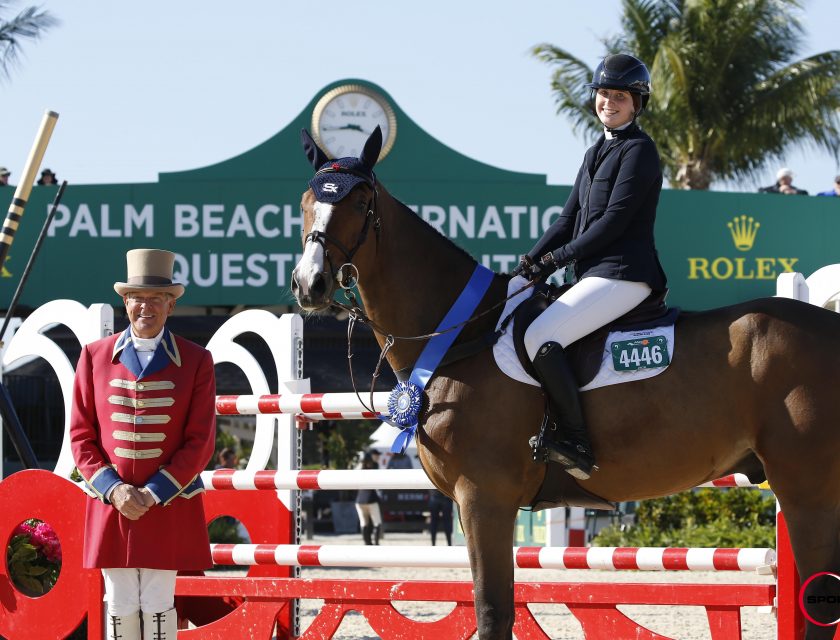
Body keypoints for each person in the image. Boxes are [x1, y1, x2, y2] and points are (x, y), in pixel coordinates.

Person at [512, 54, 667, 480]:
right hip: (595, 274)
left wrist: (557, 260)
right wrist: (529, 264)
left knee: (540, 334)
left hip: (625, 274)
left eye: (619, 96)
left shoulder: (640, 151)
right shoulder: (595, 151)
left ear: (637, 103)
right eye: (603, 94)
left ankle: (576, 439)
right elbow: (567, 220)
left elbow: (614, 222)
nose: (608, 102)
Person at [70, 248, 216, 640]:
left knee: (157, 600)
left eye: (156, 299)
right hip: (111, 503)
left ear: (171, 305)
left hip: (166, 502)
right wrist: (115, 490)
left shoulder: (197, 359)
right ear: (125, 302)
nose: (145, 307)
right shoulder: (93, 356)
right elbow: (81, 436)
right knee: (117, 600)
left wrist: (151, 494)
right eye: (138, 298)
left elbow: (200, 441)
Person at [355, 453, 382, 545]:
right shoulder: (375, 467)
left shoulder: (359, 469)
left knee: (364, 523)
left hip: (360, 500)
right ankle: (376, 543)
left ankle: (367, 543)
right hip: (371, 499)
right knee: (377, 523)